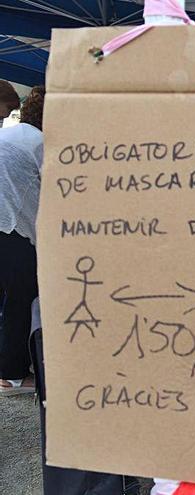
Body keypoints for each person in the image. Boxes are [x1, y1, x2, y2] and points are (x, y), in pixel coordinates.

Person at [0, 85, 43, 396]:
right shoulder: (40, 143)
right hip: (15, 231)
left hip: (4, 224)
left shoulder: (8, 136)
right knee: (21, 301)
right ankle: (13, 375)